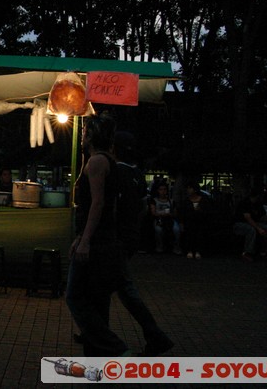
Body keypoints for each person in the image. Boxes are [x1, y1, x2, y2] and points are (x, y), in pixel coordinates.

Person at [66, 113, 129, 357]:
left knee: (75, 296)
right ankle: (101, 362)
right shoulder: (103, 160)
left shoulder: (97, 163)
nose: (82, 136)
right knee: (97, 301)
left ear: (91, 135)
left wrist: (85, 240)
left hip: (97, 242)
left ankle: (115, 348)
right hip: (101, 239)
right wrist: (81, 236)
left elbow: (98, 204)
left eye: (84, 132)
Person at [113, 131, 174, 356]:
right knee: (114, 288)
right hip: (129, 237)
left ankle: (155, 336)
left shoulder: (116, 172)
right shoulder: (136, 173)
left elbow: (112, 208)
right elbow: (141, 207)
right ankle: (94, 329)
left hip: (117, 239)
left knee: (124, 289)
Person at [233, 187, 267, 262]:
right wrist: (259, 228)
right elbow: (248, 218)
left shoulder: (258, 204)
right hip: (240, 223)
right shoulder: (244, 203)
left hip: (254, 222)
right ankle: (247, 252)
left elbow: (262, 216)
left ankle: (266, 251)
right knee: (251, 230)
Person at [178, 181, 213, 259]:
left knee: (199, 232)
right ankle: (190, 250)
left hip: (201, 221)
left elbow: (208, 212)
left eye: (190, 188)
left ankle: (198, 250)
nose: (188, 190)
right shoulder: (186, 201)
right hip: (189, 222)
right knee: (190, 231)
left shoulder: (204, 200)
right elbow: (182, 213)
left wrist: (200, 210)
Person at [150, 182, 181, 254]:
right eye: (161, 189)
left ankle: (176, 247)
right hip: (159, 219)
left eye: (164, 189)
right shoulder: (154, 200)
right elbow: (153, 212)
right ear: (157, 191)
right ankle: (159, 246)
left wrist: (170, 214)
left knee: (176, 230)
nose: (163, 191)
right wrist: (163, 214)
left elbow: (175, 213)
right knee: (158, 230)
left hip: (170, 219)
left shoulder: (171, 201)